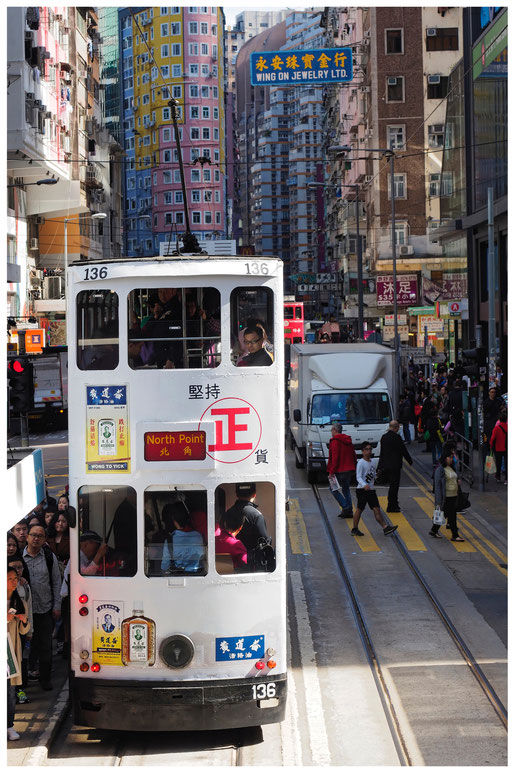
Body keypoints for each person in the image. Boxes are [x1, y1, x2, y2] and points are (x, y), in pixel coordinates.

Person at [22, 524, 62, 690]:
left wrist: (57, 605)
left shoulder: (48, 556)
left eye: (40, 536)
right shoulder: (19, 557)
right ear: (27, 537)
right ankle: (22, 683)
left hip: (44, 609)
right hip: (23, 612)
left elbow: (56, 582)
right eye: (33, 535)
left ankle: (45, 679)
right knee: (23, 649)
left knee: (46, 646)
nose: (36, 538)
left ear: (45, 539)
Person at [351, 442, 398, 537]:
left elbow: (372, 475)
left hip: (371, 490)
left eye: (370, 449)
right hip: (362, 490)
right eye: (366, 449)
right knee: (359, 509)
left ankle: (385, 527)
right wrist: (364, 485)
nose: (369, 451)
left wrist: (377, 475)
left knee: (376, 509)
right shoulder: (361, 463)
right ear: (363, 451)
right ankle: (354, 529)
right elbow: (358, 477)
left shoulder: (372, 462)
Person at [7, 566, 30, 741]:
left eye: (15, 578)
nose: (14, 582)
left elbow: (24, 631)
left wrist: (24, 620)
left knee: (10, 690)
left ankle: (9, 726)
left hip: (11, 649)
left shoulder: (19, 602)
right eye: (10, 579)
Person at [8, 555, 33, 704]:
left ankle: (18, 691)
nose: (16, 574)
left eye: (19, 568)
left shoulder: (22, 594)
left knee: (18, 665)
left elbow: (28, 614)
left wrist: (26, 625)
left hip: (14, 640)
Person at [378, 420, 413, 512]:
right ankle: (392, 505)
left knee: (390, 485)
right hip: (395, 465)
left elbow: (382, 453)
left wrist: (379, 466)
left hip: (386, 465)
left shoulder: (384, 437)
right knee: (394, 486)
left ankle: (393, 504)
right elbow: (403, 450)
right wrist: (410, 461)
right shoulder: (397, 438)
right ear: (396, 427)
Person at [430, 450, 465, 541]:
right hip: (446, 497)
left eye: (452, 457)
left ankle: (434, 530)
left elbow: (457, 475)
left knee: (445, 514)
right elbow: (437, 486)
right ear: (445, 458)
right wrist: (438, 501)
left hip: (454, 495)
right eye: (449, 457)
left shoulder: (452, 467)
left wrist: (458, 481)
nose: (451, 459)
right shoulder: (440, 470)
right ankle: (455, 535)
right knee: (452, 515)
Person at [224, 483, 269, 550]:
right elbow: (263, 541)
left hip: (231, 557)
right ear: (254, 495)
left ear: (236, 494)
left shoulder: (228, 512)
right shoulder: (257, 515)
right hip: (251, 558)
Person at [326, 422, 357, 518]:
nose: (331, 431)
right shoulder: (347, 440)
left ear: (335, 430)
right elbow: (353, 454)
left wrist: (331, 472)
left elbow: (335, 458)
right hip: (348, 469)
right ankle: (349, 511)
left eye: (331, 429)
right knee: (346, 489)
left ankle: (346, 506)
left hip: (339, 470)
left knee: (332, 488)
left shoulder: (335, 441)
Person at [164, 506, 205, 574]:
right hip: (197, 574)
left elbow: (165, 566)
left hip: (177, 576)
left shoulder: (169, 540)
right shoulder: (199, 536)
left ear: (174, 521)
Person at [490, 409, 507, 484]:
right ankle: (507, 479)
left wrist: (491, 445)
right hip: (507, 448)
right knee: (507, 464)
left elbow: (492, 438)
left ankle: (498, 477)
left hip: (498, 448)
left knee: (498, 463)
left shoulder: (496, 428)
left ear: (499, 420)